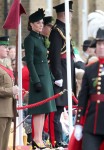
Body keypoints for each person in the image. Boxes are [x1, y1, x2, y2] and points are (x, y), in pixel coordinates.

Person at [49, 1, 85, 148]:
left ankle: (62, 139)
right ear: (64, 14)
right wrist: (58, 77)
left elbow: (69, 54)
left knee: (63, 107)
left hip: (67, 71)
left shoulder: (64, 29)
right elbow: (55, 56)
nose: (71, 16)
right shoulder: (57, 31)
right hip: (61, 74)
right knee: (58, 109)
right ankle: (58, 140)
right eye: (70, 13)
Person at [24, 8, 57, 149]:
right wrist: (36, 80)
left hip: (46, 77)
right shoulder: (29, 39)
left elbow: (44, 60)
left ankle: (40, 138)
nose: (41, 25)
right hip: (38, 78)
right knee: (38, 110)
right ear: (31, 24)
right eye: (38, 23)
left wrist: (51, 77)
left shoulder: (41, 38)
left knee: (44, 109)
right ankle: (37, 139)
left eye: (42, 23)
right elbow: (30, 62)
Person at [74, 27, 104, 150]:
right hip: (93, 123)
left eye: (103, 44)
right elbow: (83, 98)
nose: (101, 47)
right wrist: (79, 123)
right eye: (99, 44)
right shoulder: (90, 69)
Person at [0, 36, 19, 150]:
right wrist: (10, 91)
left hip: (8, 109)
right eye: (4, 47)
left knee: (4, 144)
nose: (7, 50)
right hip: (1, 111)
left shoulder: (5, 65)